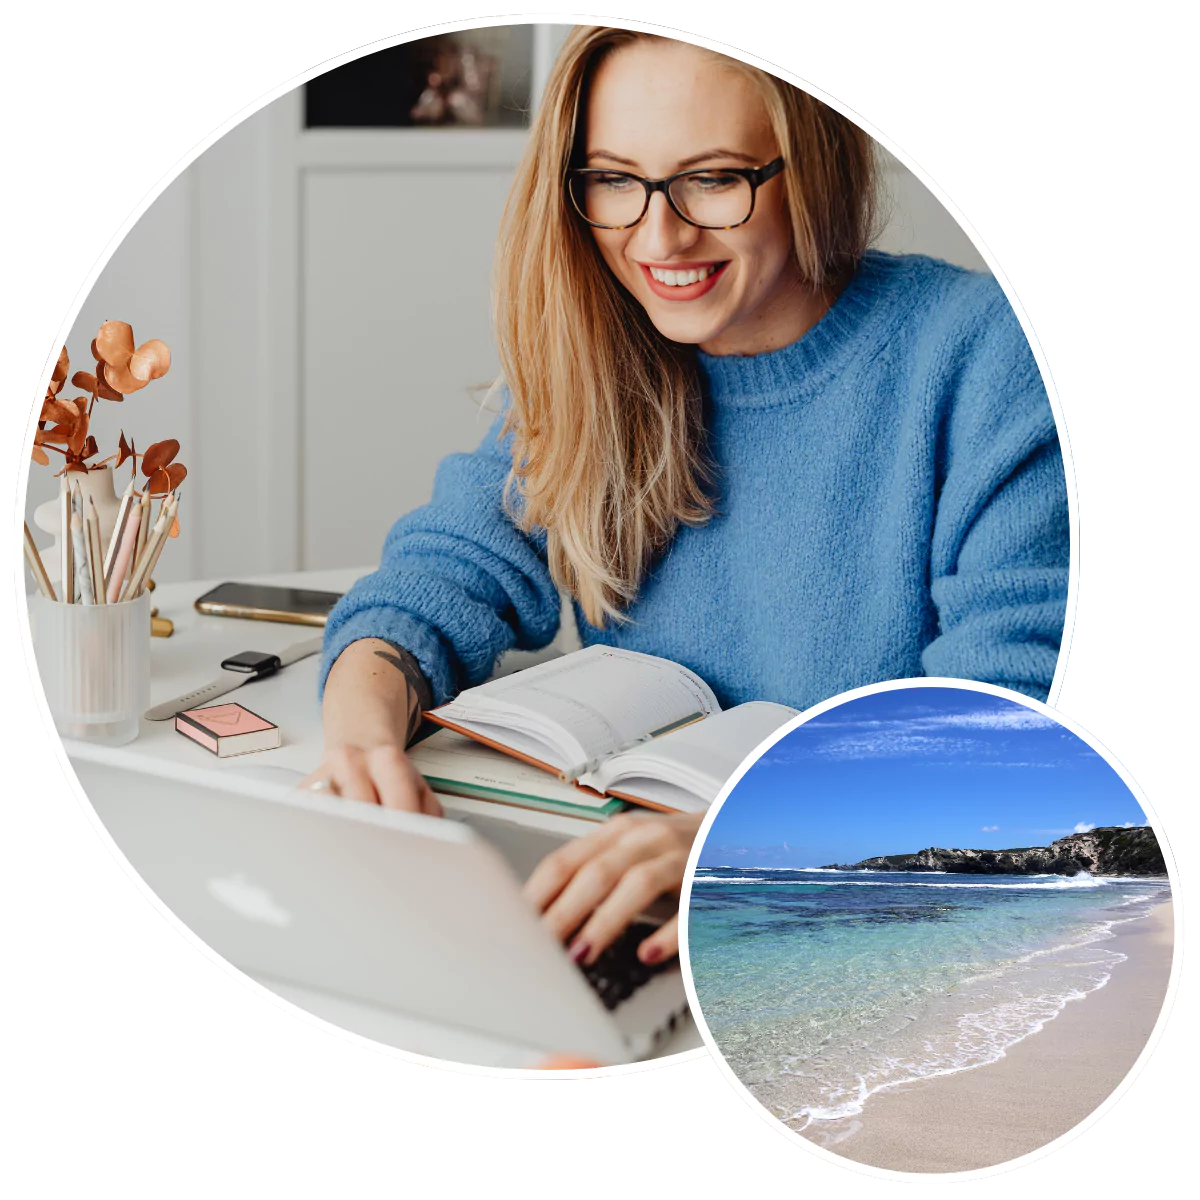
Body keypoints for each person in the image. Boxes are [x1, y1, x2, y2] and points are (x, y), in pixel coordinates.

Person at [306, 27, 1070, 970]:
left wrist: (742, 841)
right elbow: (438, 576)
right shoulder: (600, 352)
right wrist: (361, 735)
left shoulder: (984, 356)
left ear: (815, 165)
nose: (657, 237)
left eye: (712, 180)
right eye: (614, 179)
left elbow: (1015, 719)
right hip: (630, 900)